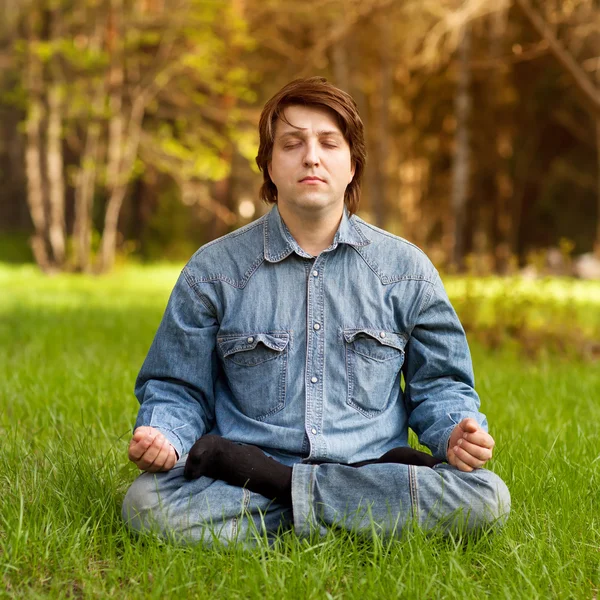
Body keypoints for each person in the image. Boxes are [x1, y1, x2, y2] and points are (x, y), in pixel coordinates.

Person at [122, 77, 510, 545]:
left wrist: (454, 433)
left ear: (352, 164)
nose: (311, 156)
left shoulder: (407, 270)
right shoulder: (212, 271)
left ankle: (283, 497)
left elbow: (441, 385)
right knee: (146, 505)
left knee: (486, 497)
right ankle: (354, 519)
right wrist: (164, 434)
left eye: (329, 142)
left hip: (349, 468)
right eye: (292, 143)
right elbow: (177, 388)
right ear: (268, 164)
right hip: (248, 483)